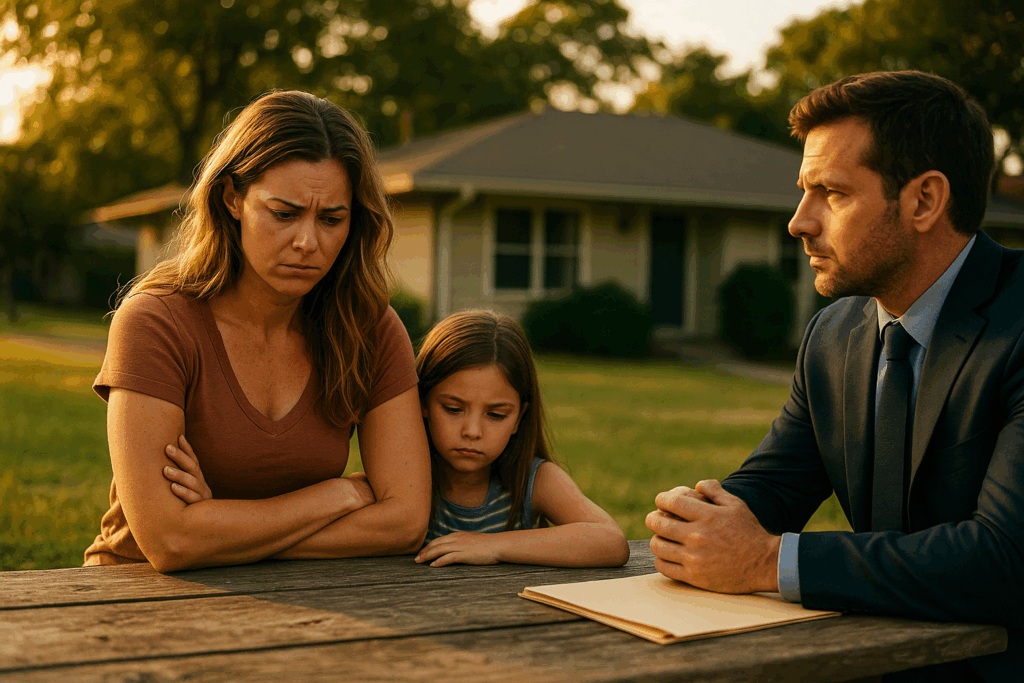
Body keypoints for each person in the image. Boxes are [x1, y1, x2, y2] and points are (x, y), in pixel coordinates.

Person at [645, 71, 1022, 681]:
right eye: (803, 190)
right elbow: (773, 487)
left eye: (833, 193)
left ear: (924, 200)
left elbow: (1005, 561)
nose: (799, 221)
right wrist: (698, 519)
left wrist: (767, 562)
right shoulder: (833, 336)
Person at [84, 90, 431, 572]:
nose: (308, 242)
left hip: (300, 599)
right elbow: (170, 541)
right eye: (284, 214)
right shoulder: (157, 320)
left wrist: (218, 532)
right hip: (128, 598)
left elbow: (405, 521)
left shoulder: (367, 326)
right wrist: (337, 495)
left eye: (332, 219)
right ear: (232, 197)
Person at [410, 310, 629, 568]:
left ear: (519, 417)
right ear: (423, 402)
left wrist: (492, 545)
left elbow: (611, 541)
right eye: (453, 409)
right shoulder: (403, 478)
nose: (472, 431)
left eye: (496, 414)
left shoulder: (532, 480)